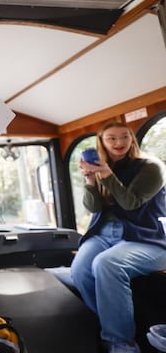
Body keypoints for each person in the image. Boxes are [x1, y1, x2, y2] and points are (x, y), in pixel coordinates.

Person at [71, 121, 166, 353]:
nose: (119, 142)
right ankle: (106, 323)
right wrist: (90, 180)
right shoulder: (105, 168)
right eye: (111, 138)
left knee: (106, 263)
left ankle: (120, 342)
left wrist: (105, 173)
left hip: (146, 237)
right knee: (80, 270)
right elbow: (93, 208)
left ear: (132, 139)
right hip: (104, 234)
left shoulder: (151, 167)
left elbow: (130, 203)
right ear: (102, 142)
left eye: (124, 136)